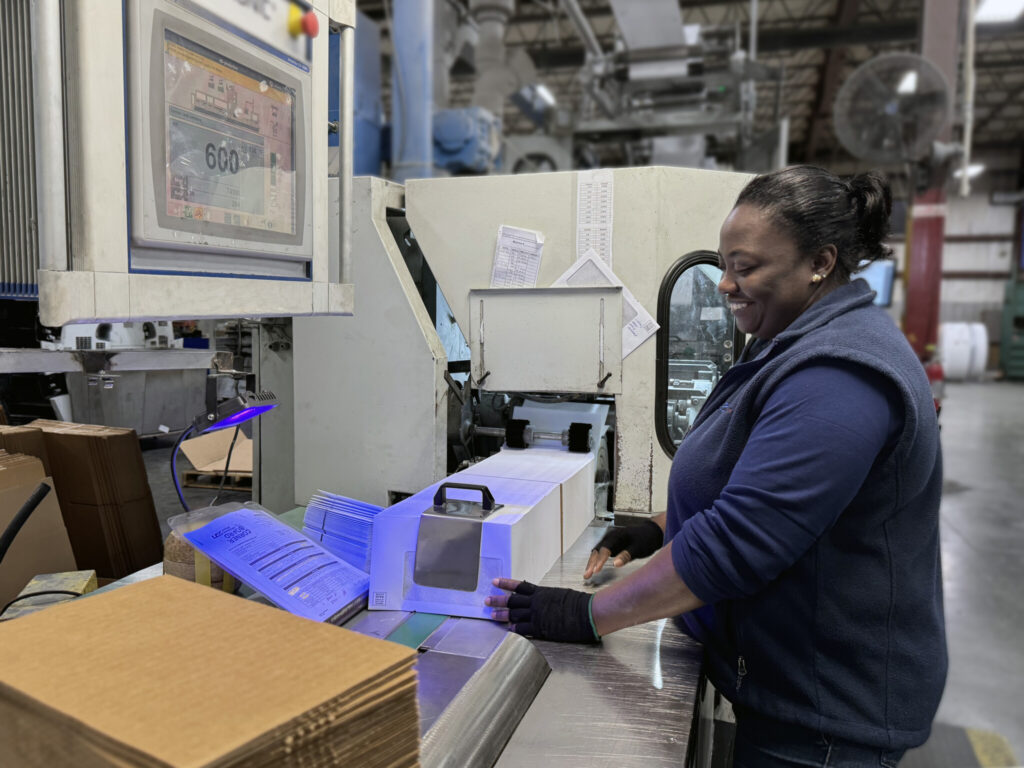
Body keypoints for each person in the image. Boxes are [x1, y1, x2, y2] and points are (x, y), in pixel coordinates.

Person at [486, 166, 946, 767]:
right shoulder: (788, 337)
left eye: (745, 267)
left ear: (820, 262)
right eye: (724, 264)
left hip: (823, 720)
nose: (725, 284)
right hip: (790, 689)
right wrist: (658, 528)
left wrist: (586, 614)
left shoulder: (839, 374)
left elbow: (739, 541)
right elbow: (763, 489)